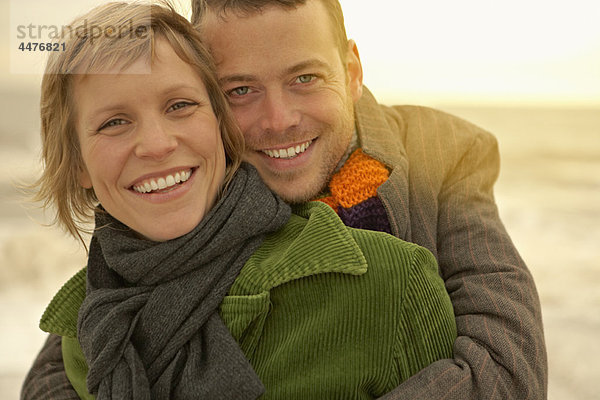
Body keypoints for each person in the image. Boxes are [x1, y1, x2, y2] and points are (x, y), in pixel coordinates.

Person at [22, 0, 547, 398]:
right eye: (239, 91)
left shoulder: (441, 153)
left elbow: (505, 364)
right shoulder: (182, 183)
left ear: (352, 70)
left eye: (305, 78)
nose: (278, 121)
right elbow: (80, 344)